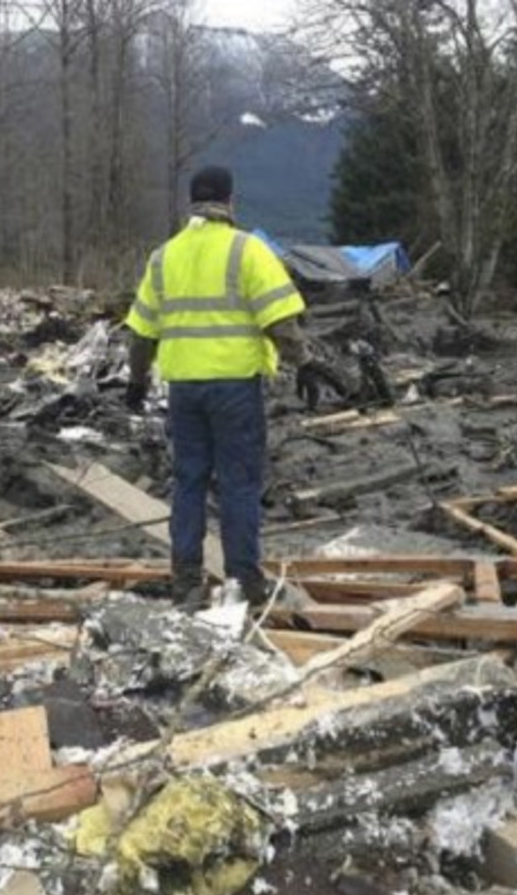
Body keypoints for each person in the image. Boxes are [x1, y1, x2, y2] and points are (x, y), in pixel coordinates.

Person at [124, 165, 342, 608]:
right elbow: (280, 319)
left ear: (192, 203)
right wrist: (305, 363)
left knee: (188, 482)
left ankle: (186, 581)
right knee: (238, 483)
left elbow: (141, 332)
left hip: (184, 388)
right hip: (234, 387)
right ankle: (243, 581)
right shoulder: (248, 251)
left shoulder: (163, 257)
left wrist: (136, 380)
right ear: (230, 201)